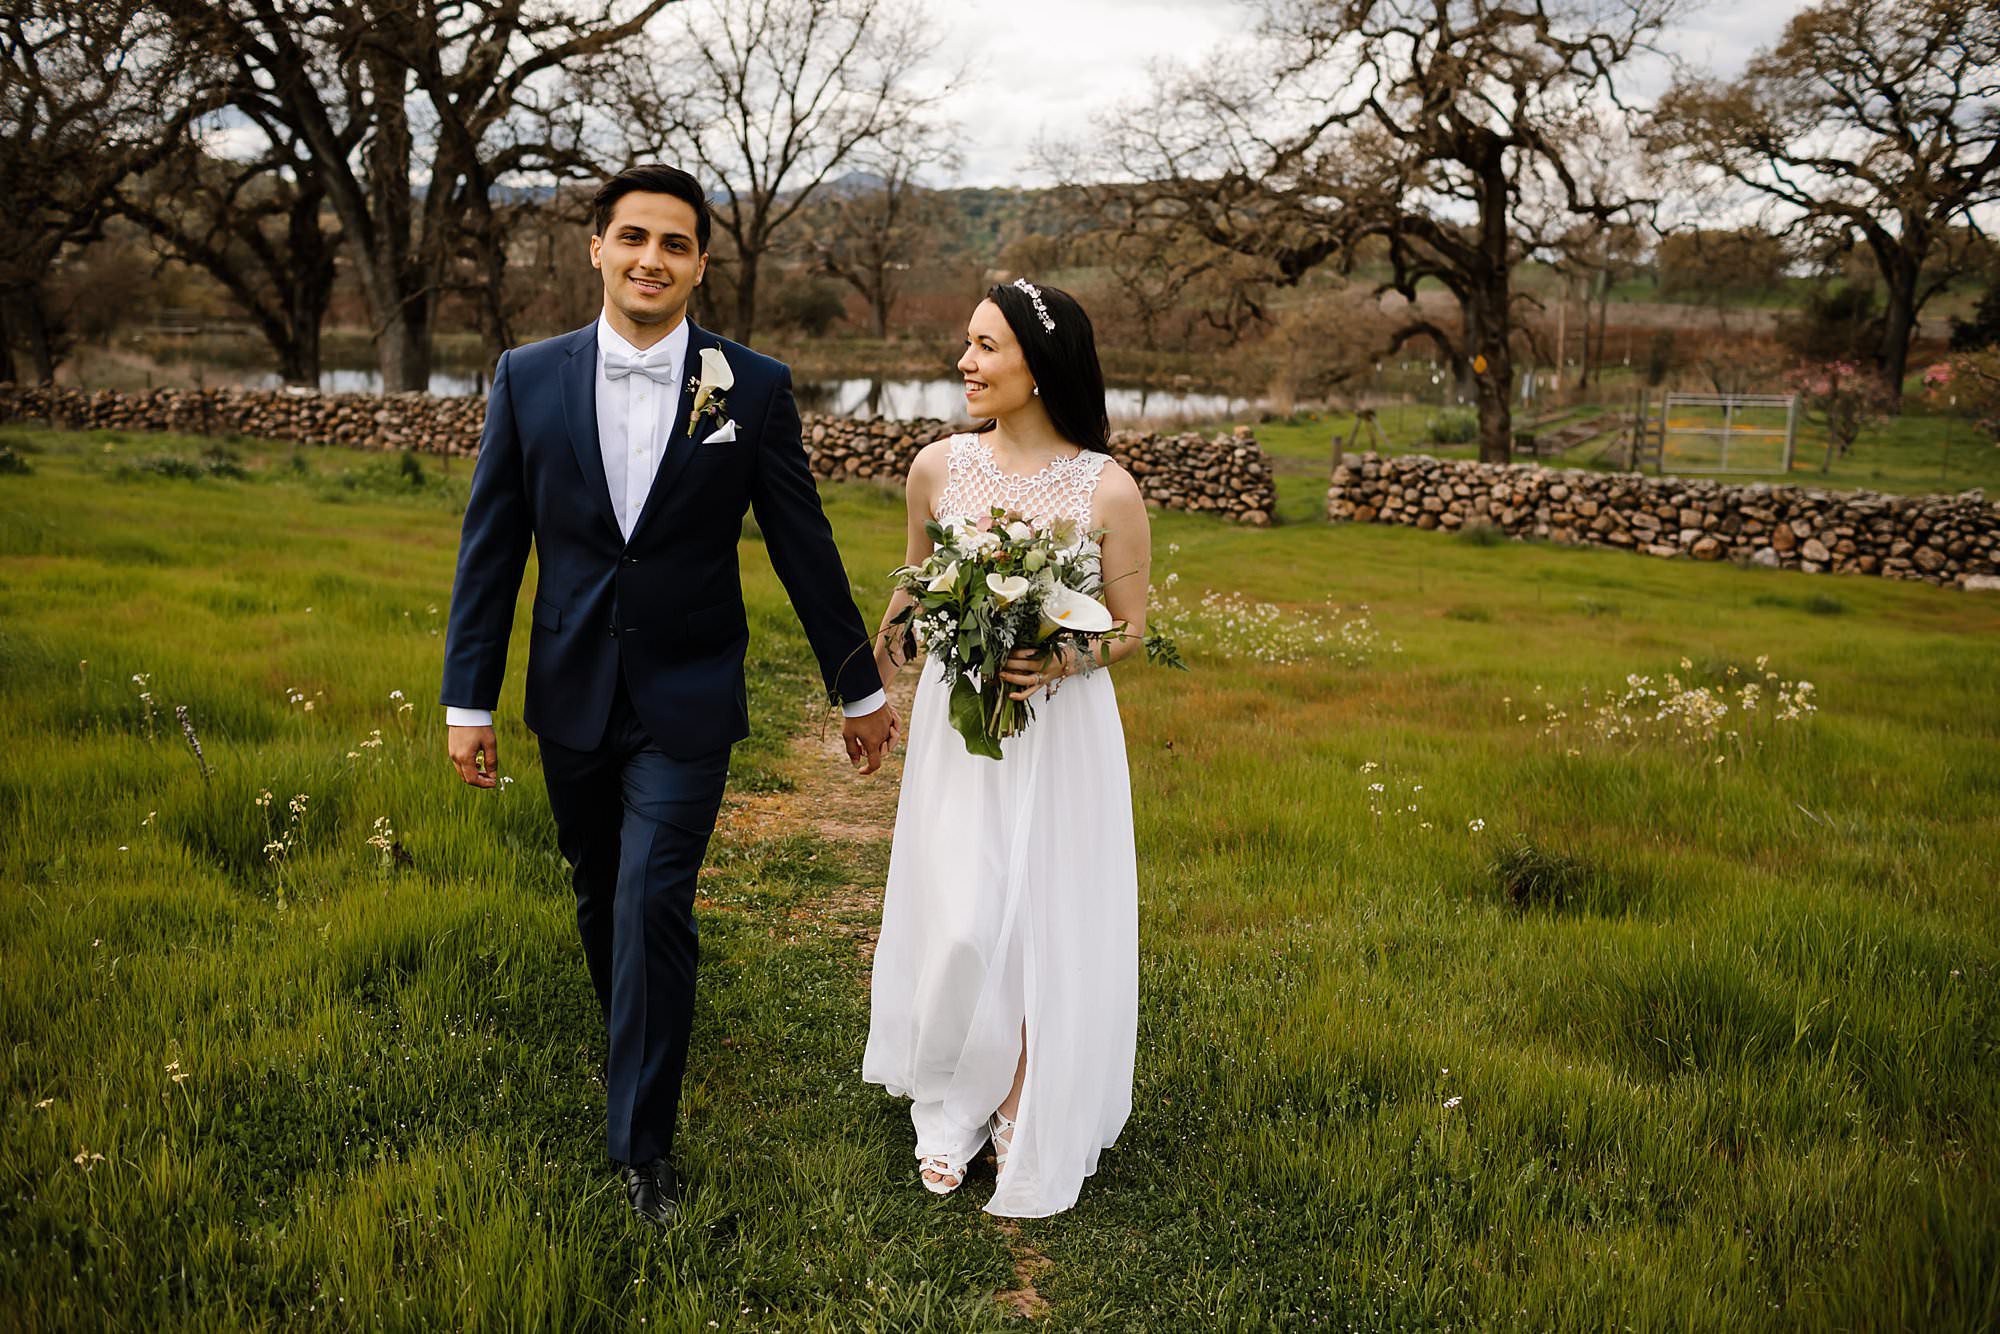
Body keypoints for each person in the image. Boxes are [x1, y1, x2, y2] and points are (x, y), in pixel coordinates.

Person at [439, 164, 900, 1230]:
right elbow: (490, 550)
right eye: (633, 237)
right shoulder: (527, 375)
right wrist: (469, 701)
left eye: (676, 243)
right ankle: (634, 1029)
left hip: (689, 695)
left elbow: (802, 545)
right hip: (571, 688)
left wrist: (856, 687)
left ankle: (642, 1148)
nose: (652, 258)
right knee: (601, 889)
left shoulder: (754, 386)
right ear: (596, 249)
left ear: (700, 264)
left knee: (653, 897)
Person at [861, 280, 1149, 1217]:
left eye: (987, 347)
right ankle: (951, 1094)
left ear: (1039, 363)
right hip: (963, 727)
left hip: (1058, 729)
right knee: (963, 908)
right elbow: (909, 585)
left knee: (1041, 911)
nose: (966, 363)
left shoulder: (1107, 486)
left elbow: (1134, 627)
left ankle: (1027, 1094)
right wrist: (884, 664)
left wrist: (1063, 658)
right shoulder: (937, 467)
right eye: (968, 344)